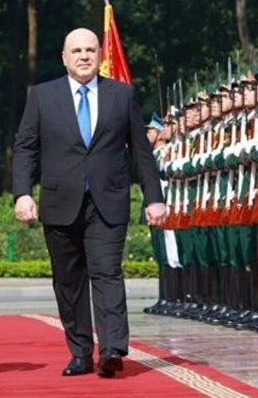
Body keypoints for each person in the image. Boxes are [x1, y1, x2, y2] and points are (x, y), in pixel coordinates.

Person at [12, 28, 166, 378]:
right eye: (76, 50)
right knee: (69, 280)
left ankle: (112, 348)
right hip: (59, 202)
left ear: (100, 55)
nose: (84, 56)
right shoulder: (42, 96)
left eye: (90, 50)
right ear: (64, 57)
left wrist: (153, 198)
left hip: (107, 202)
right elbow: (25, 148)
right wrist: (22, 192)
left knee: (107, 272)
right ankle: (80, 351)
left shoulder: (121, 95)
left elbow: (141, 153)